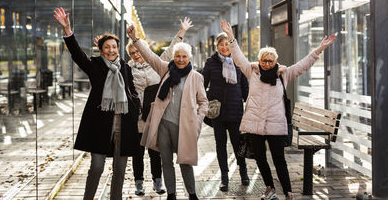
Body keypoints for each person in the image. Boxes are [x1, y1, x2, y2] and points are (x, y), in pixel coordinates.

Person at [221, 20, 336, 200]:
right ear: (259, 61)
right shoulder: (252, 72)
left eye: (270, 61)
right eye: (264, 61)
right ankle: (270, 188)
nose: (267, 63)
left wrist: (319, 49)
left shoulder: (284, 74)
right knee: (260, 158)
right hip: (254, 125)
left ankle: (288, 191)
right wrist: (230, 37)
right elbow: (238, 57)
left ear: (276, 61)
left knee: (279, 159)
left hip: (276, 125)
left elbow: (303, 65)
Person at [53, 7, 140, 200]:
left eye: (114, 47)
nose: (111, 50)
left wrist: (136, 107)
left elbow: (132, 91)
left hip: (124, 124)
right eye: (107, 47)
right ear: (101, 50)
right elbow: (77, 55)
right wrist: (68, 30)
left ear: (118, 49)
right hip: (100, 124)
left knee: (119, 169)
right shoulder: (95, 65)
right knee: (97, 167)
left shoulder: (125, 67)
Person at [126, 24, 208, 200]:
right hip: (163, 124)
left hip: (185, 127)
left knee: (185, 161)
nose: (180, 59)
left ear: (189, 58)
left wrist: (198, 120)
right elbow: (149, 55)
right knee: (166, 162)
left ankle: (192, 194)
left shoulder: (196, 77)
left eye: (184, 56)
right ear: (173, 57)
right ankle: (171, 193)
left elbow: (204, 103)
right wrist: (135, 39)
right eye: (177, 56)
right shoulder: (165, 69)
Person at [201, 32, 250, 191]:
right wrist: (207, 101)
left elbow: (245, 87)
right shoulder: (210, 62)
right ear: (217, 46)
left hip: (236, 111)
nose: (224, 47)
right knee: (220, 145)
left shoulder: (239, 61)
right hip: (218, 113)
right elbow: (202, 85)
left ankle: (243, 172)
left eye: (227, 44)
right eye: (221, 44)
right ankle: (224, 177)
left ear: (231, 45)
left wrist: (248, 105)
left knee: (238, 145)